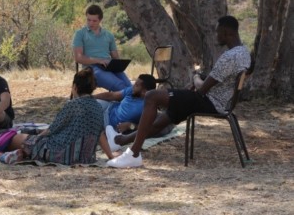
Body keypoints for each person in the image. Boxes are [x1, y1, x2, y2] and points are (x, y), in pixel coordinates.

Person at [106, 15, 251, 168]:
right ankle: (119, 141)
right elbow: (219, 80)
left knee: (151, 96)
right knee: (164, 118)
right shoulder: (244, 54)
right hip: (219, 102)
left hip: (209, 101)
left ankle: (133, 154)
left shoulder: (229, 57)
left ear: (227, 32)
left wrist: (195, 78)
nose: (216, 36)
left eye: (218, 32)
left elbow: (202, 90)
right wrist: (201, 79)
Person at [0, 67, 115, 165]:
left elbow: (51, 130)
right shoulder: (97, 106)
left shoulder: (72, 105)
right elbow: (100, 133)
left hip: (59, 153)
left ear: (75, 87)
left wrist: (34, 139)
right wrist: (111, 157)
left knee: (18, 138)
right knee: (23, 138)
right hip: (84, 157)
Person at [72, 4, 131, 92]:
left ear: (100, 20)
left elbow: (115, 57)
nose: (90, 23)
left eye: (94, 21)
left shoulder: (108, 35)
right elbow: (78, 58)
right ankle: (131, 103)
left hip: (108, 66)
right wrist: (99, 60)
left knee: (130, 86)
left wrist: (118, 64)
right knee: (120, 86)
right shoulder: (80, 34)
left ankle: (127, 103)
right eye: (88, 20)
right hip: (90, 69)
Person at [94, 74, 160, 151]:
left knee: (90, 118)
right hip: (109, 107)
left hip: (111, 126)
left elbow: (149, 128)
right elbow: (112, 95)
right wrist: (91, 97)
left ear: (144, 92)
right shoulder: (131, 91)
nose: (133, 86)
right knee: (89, 104)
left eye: (136, 85)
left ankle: (110, 138)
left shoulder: (148, 107)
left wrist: (130, 125)